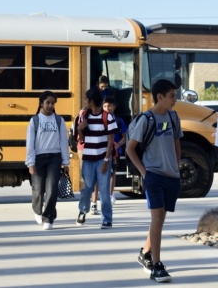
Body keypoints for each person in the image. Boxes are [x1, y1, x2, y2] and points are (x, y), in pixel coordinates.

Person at [126, 79, 182, 283]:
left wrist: (176, 166)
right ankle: (157, 266)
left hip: (171, 176)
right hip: (154, 175)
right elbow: (130, 148)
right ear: (160, 97)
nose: (175, 100)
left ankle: (145, 253)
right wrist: (144, 173)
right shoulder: (146, 119)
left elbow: (176, 143)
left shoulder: (174, 117)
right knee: (157, 218)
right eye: (172, 96)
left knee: (159, 220)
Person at [25, 91, 70, 230]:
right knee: (38, 189)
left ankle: (48, 217)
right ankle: (38, 211)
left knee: (52, 189)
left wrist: (66, 162)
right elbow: (30, 143)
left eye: (52, 103)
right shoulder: (35, 121)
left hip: (54, 158)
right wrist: (30, 163)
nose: (50, 105)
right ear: (41, 103)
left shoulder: (59, 120)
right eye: (47, 103)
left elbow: (63, 142)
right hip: (39, 158)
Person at [76, 87, 118, 229]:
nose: (86, 102)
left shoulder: (108, 117)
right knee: (87, 189)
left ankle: (106, 219)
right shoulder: (84, 116)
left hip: (102, 158)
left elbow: (111, 140)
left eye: (87, 100)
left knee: (104, 190)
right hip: (88, 159)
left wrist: (107, 160)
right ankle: (83, 210)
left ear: (92, 102)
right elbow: (82, 139)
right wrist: (80, 129)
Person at [90, 96, 127, 211]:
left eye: (109, 106)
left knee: (112, 174)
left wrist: (118, 144)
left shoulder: (119, 120)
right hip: (100, 151)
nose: (107, 108)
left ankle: (110, 196)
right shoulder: (98, 119)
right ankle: (94, 202)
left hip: (114, 153)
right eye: (105, 106)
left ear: (114, 107)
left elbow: (125, 137)